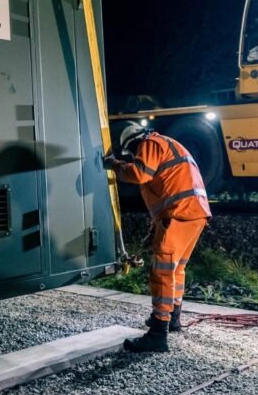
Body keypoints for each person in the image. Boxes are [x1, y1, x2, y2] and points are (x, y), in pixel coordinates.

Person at [103, 123, 211, 353]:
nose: (134, 155)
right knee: (176, 269)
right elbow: (169, 183)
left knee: (161, 272)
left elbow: (140, 174)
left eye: (132, 151)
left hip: (179, 214)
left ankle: (157, 334)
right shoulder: (169, 145)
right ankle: (172, 318)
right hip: (193, 214)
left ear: (134, 141)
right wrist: (158, 224)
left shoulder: (151, 143)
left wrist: (114, 165)